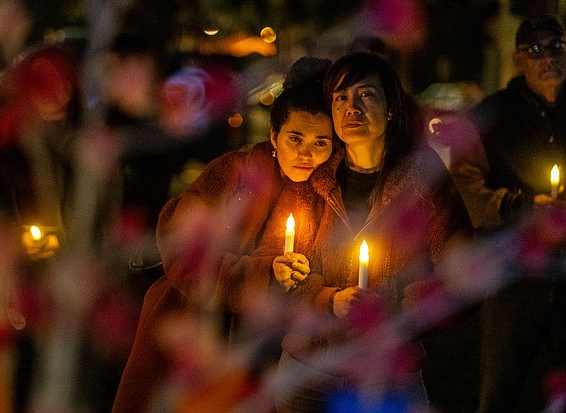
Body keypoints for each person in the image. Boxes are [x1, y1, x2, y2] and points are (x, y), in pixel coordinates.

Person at [111, 56, 334, 413]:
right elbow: (181, 246)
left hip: (264, 348)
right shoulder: (235, 172)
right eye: (296, 138)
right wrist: (258, 273)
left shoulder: (325, 192)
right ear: (274, 136)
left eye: (321, 142)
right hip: (194, 327)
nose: (307, 153)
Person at [272, 51, 476, 413]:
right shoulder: (314, 178)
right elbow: (279, 266)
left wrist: (397, 300)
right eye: (341, 97)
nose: (352, 107)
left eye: (366, 94)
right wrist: (326, 298)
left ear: (392, 109)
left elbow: (463, 270)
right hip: (308, 366)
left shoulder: (422, 181)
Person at [448, 14, 566, 412]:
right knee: (501, 386)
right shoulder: (491, 115)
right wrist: (521, 205)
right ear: (518, 59)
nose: (547, 57)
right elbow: (466, 185)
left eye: (556, 47)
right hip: (513, 267)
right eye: (535, 49)